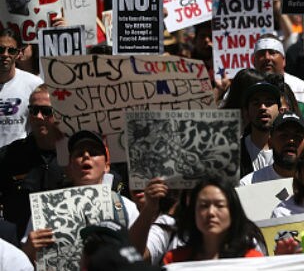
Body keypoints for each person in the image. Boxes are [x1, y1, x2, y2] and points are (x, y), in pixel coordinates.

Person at [23, 130, 167, 261]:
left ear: (106, 166)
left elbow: (140, 256)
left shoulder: (125, 207)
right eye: (79, 154)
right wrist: (29, 249)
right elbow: (23, 263)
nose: (86, 156)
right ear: (70, 167)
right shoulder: (45, 209)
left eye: (93, 152)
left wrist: (149, 209)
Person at [0, 85, 66, 237]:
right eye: (33, 110)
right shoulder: (9, 156)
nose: (38, 116)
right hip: (20, 246)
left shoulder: (74, 155)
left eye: (46, 111)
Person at [162, 176, 265, 263]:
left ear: (232, 211)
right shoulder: (174, 260)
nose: (211, 212)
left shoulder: (252, 260)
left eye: (219, 205)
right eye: (204, 206)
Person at [0, 28, 43, 148]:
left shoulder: (34, 84)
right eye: (1, 49)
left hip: (20, 161)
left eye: (12, 50)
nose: (5, 54)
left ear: (19, 53)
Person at [239, 111, 304, 186]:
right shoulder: (248, 184)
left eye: (297, 137)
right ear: (270, 142)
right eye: (283, 136)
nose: (291, 141)